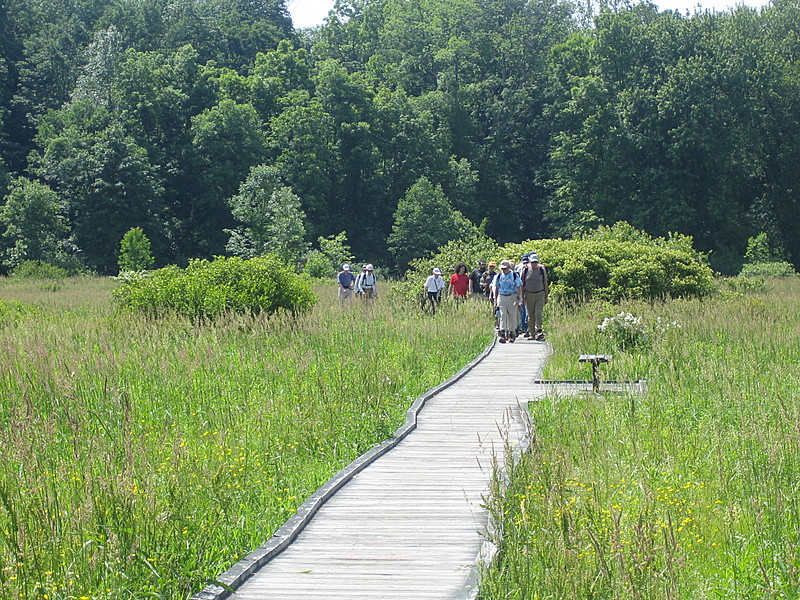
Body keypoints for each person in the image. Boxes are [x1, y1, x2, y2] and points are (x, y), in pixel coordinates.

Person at [491, 259, 522, 343]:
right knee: (502, 315)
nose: (503, 270)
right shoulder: (498, 276)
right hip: (502, 297)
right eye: (502, 269)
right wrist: (495, 299)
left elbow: (519, 287)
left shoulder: (514, 275)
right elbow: (496, 287)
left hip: (512, 296)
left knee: (512, 316)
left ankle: (512, 333)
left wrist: (518, 298)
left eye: (505, 268)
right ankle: (502, 334)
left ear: (509, 267)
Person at [522, 253, 549, 340]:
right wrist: (522, 297)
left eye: (536, 262)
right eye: (533, 262)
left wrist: (546, 296)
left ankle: (539, 331)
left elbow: (545, 283)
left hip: (540, 293)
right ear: (530, 262)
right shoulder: (525, 270)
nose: (534, 264)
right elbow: (522, 284)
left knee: (538, 313)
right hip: (529, 294)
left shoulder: (541, 269)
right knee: (530, 315)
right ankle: (532, 333)